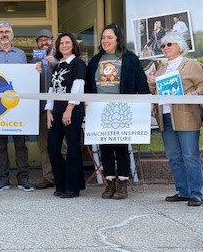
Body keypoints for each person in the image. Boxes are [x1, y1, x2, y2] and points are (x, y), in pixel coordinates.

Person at [86, 23, 150, 199]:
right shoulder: (95, 60)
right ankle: (109, 183)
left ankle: (122, 183)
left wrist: (147, 102)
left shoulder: (130, 58)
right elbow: (88, 86)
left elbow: (141, 83)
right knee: (105, 146)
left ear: (118, 39)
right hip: (99, 110)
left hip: (123, 109)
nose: (105, 40)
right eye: (103, 37)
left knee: (121, 145)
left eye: (109, 37)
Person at [148, 32, 203, 207]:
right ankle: (183, 191)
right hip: (165, 116)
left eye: (169, 44)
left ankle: (196, 193)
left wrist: (191, 95)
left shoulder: (192, 64)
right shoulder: (161, 69)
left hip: (186, 115)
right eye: (163, 45)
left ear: (180, 46)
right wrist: (152, 82)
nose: (165, 48)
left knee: (190, 155)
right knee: (174, 156)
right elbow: (155, 93)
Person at [0, 21, 34, 192]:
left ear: (12, 35)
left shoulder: (21, 55)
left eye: (7, 32)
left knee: (21, 144)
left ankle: (23, 178)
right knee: (0, 145)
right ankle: (3, 179)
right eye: (1, 32)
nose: (4, 35)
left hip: (17, 106)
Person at [44, 33, 86, 199]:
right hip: (55, 112)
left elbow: (78, 87)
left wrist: (69, 109)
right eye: (61, 43)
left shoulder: (78, 63)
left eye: (68, 42)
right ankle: (61, 184)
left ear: (73, 45)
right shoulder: (57, 66)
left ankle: (73, 187)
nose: (64, 45)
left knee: (73, 150)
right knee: (53, 148)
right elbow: (51, 90)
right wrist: (48, 111)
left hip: (72, 111)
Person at [32, 29, 58, 190]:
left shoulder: (61, 57)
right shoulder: (34, 61)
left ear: (52, 40)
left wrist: (55, 62)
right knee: (43, 144)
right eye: (41, 40)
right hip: (40, 107)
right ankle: (48, 177)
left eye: (47, 39)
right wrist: (32, 70)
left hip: (57, 108)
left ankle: (60, 176)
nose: (44, 43)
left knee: (60, 144)